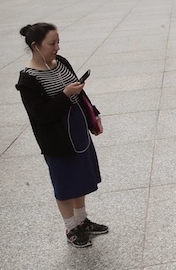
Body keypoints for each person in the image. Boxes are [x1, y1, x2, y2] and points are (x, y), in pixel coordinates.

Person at [15, 23, 108, 248]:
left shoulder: (62, 62)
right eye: (52, 43)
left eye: (58, 42)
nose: (57, 47)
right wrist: (65, 95)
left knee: (81, 177)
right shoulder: (27, 81)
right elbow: (42, 115)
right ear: (35, 46)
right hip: (56, 138)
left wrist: (93, 114)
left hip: (77, 129)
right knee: (65, 182)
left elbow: (80, 90)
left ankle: (82, 220)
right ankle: (71, 227)